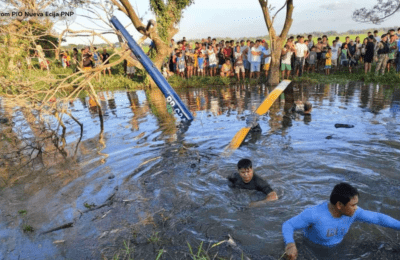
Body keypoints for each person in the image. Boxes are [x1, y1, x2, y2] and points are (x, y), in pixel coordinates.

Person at [282, 182, 400, 260]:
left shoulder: (354, 213)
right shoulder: (314, 214)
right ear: (339, 205)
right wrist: (290, 243)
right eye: (353, 205)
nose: (356, 208)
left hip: (340, 248)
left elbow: (379, 218)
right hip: (312, 250)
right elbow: (288, 224)